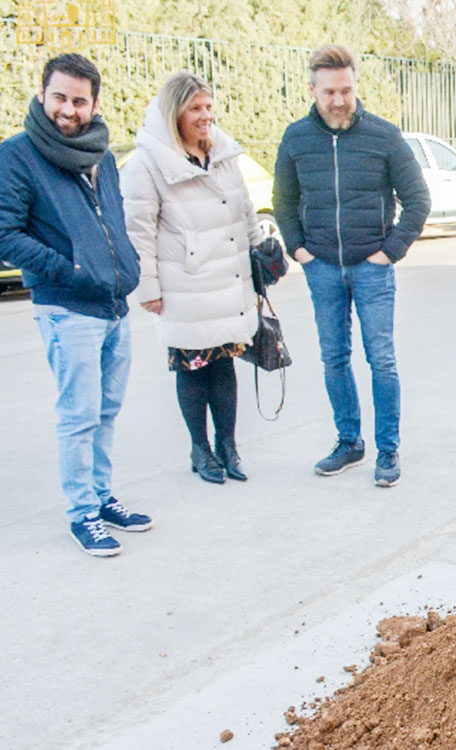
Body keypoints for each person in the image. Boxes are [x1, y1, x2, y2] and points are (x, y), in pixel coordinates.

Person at [0, 54, 151, 556]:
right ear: (43, 95)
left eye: (79, 100)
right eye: (60, 97)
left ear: (94, 104)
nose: (68, 108)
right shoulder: (18, 155)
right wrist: (73, 271)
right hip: (67, 307)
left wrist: (122, 269)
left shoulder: (101, 154)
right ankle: (81, 514)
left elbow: (114, 221)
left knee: (106, 411)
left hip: (112, 305)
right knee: (78, 414)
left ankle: (102, 497)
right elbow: (6, 235)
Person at [272, 44, 430, 487]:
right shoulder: (296, 138)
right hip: (321, 267)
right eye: (329, 92)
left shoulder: (383, 136)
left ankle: (388, 450)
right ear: (312, 89)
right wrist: (298, 250)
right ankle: (349, 442)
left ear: (355, 85)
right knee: (334, 358)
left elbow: (417, 199)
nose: (338, 100)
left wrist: (389, 252)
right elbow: (283, 201)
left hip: (371, 267)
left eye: (345, 90)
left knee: (381, 359)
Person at [121, 71, 282, 485]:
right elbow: (137, 231)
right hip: (183, 283)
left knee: (224, 366)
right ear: (174, 113)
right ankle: (201, 448)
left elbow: (245, 210)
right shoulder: (147, 164)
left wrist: (257, 252)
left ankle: (228, 446)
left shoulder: (224, 155)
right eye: (195, 108)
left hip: (228, 280)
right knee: (193, 369)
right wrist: (148, 288)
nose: (205, 115)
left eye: (208, 106)